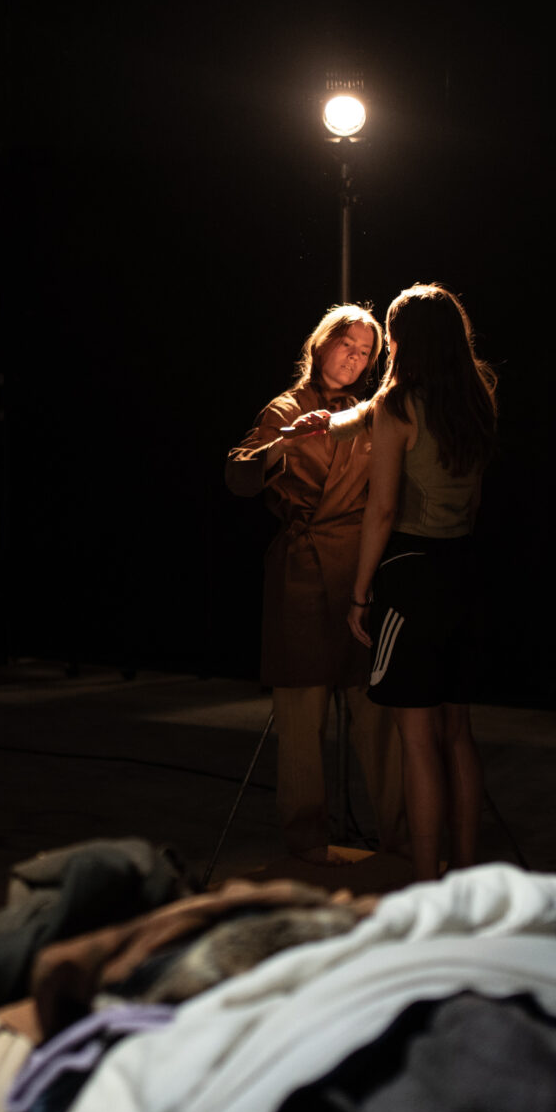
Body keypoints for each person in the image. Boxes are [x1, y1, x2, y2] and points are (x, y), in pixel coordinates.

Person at [322, 283, 498, 882]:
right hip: (466, 568)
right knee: (458, 732)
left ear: (403, 340)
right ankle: (465, 874)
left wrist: (359, 594)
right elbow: (361, 419)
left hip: (413, 576)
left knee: (417, 739)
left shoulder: (400, 405)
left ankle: (427, 882)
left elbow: (382, 510)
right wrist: (326, 424)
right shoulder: (477, 397)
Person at [226, 305, 404, 867]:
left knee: (377, 712)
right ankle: (306, 845)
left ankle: (402, 841)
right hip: (302, 572)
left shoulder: (367, 413)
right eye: (347, 345)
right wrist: (282, 443)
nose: (354, 359)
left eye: (365, 353)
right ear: (322, 344)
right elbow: (240, 473)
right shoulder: (285, 408)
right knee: (302, 718)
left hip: (359, 568)